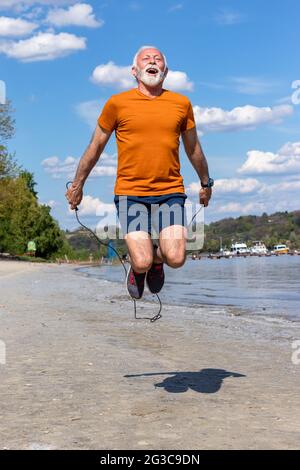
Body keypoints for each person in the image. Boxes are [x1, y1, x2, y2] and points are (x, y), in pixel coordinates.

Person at [66, 45, 213, 300]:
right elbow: (96, 145)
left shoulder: (181, 103)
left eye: (158, 59)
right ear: (134, 70)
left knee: (176, 258)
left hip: (170, 192)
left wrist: (205, 182)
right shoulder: (117, 103)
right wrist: (77, 185)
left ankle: (158, 261)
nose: (152, 61)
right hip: (130, 193)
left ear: (165, 71)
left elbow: (193, 147)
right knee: (141, 261)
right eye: (146, 59)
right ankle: (142, 266)